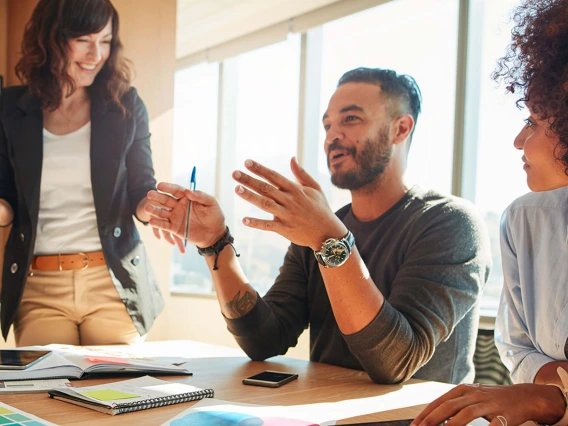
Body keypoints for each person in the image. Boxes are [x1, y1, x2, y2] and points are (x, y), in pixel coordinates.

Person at [147, 67, 491, 384]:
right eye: (328, 125)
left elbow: (395, 361)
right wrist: (215, 243)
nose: (333, 136)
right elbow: (265, 339)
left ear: (400, 128)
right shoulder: (322, 228)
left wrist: (328, 239)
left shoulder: (451, 223)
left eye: (351, 119)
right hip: (325, 414)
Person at [412, 0, 568, 425]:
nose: (519, 141)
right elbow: (517, 349)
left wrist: (553, 399)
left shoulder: (446, 223)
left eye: (534, 121)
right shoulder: (525, 220)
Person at [0, 0, 168, 346]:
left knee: (117, 395)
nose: (96, 54)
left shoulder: (125, 106)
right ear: (52, 38)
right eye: (84, 40)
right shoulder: (10, 109)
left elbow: (141, 191)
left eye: (105, 41)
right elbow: (7, 202)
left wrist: (161, 208)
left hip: (113, 282)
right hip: (39, 287)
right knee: (44, 395)